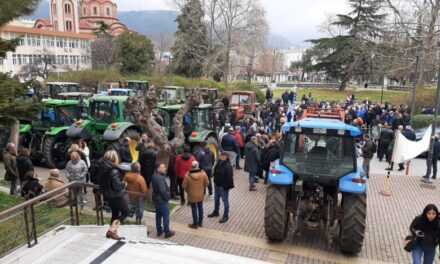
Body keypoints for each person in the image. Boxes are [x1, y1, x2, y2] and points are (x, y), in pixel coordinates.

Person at [100, 150, 129, 240]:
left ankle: (112, 232)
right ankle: (112, 231)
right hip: (116, 196)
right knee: (125, 212)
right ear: (114, 158)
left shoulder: (103, 167)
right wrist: (124, 184)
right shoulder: (113, 171)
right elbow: (117, 186)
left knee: (115, 213)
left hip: (108, 195)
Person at [208, 152, 234, 223]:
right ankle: (216, 212)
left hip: (223, 187)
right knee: (216, 199)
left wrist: (226, 187)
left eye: (222, 156)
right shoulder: (219, 162)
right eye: (220, 155)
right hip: (217, 184)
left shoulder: (228, 166)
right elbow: (215, 171)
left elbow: (229, 178)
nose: (220, 156)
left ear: (226, 157)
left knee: (225, 201)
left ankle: (226, 216)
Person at [151, 163, 175, 238]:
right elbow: (163, 191)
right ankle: (167, 232)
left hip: (156, 199)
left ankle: (159, 231)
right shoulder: (160, 178)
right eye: (163, 167)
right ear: (158, 169)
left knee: (158, 215)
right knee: (165, 216)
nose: (165, 168)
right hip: (161, 200)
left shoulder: (154, 176)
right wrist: (167, 197)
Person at [183, 161, 209, 229]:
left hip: (191, 195)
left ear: (191, 166)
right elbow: (207, 183)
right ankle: (200, 223)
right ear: (198, 166)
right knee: (200, 208)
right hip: (200, 194)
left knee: (194, 208)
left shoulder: (187, 175)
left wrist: (188, 191)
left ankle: (195, 224)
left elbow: (184, 186)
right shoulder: (203, 174)